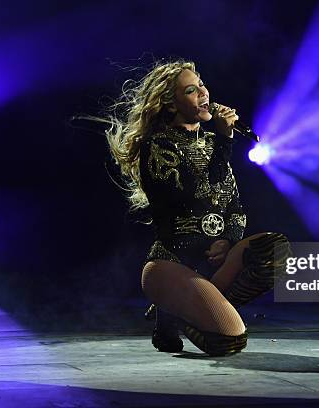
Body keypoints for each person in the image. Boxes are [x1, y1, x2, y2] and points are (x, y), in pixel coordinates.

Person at [104, 60, 291, 356]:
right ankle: (171, 309)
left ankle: (178, 315)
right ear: (170, 105)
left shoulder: (213, 144)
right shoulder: (158, 146)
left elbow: (234, 206)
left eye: (202, 84)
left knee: (274, 250)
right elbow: (197, 193)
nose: (204, 93)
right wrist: (226, 142)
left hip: (213, 262)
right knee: (229, 342)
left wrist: (227, 239)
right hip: (173, 264)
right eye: (191, 90)